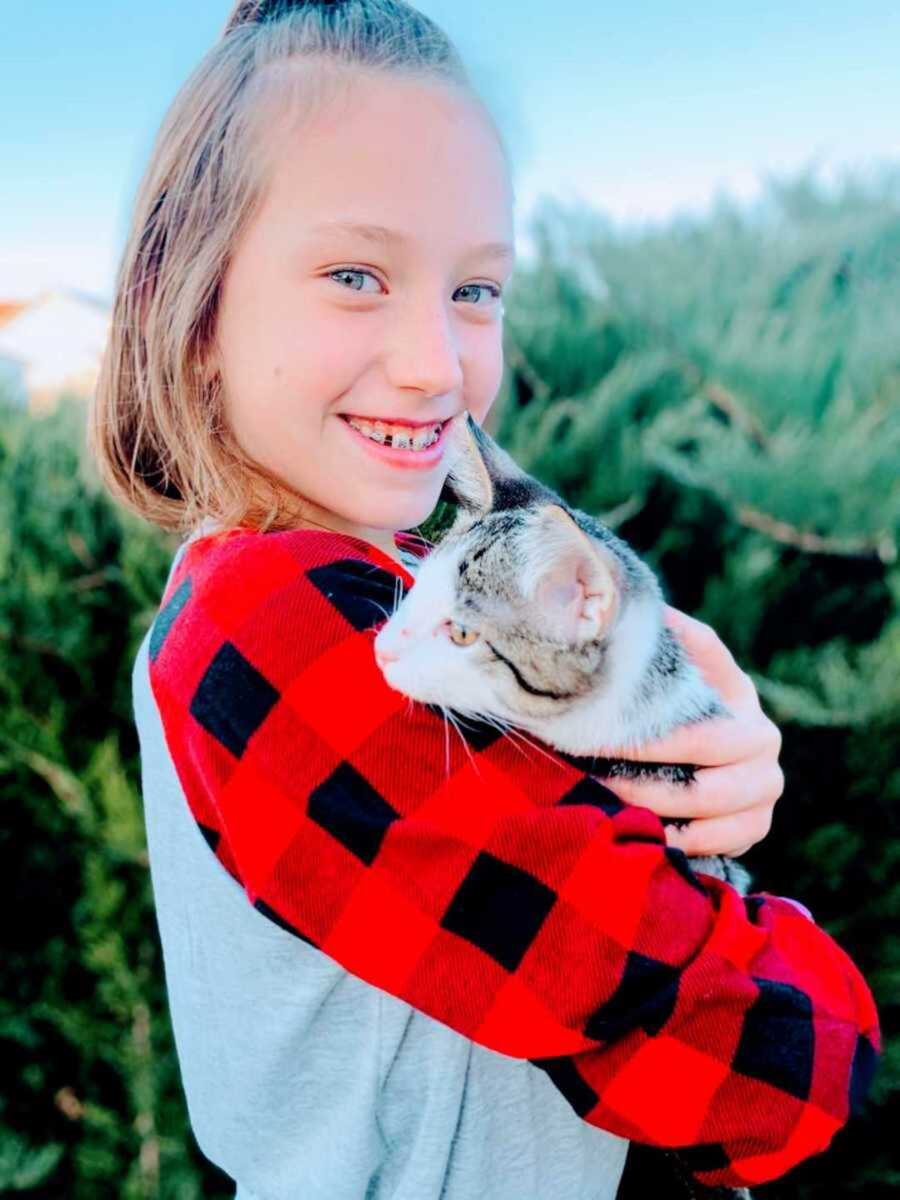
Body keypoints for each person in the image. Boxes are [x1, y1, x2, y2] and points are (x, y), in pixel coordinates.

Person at [87, 2, 881, 1197]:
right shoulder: (274, 621)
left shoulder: (371, 581)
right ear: (191, 310)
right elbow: (776, 1080)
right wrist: (782, 942)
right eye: (356, 274)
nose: (438, 363)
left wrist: (701, 768)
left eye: (477, 290)